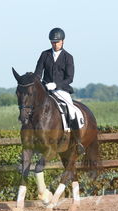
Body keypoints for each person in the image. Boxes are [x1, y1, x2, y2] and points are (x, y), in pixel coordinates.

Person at [34, 27, 85, 155]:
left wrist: (56, 84)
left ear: (62, 41)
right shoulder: (44, 55)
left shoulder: (68, 57)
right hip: (46, 90)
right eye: (52, 42)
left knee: (72, 110)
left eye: (57, 42)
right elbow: (38, 74)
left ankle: (78, 142)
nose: (54, 44)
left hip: (62, 90)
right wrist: (40, 84)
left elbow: (69, 78)